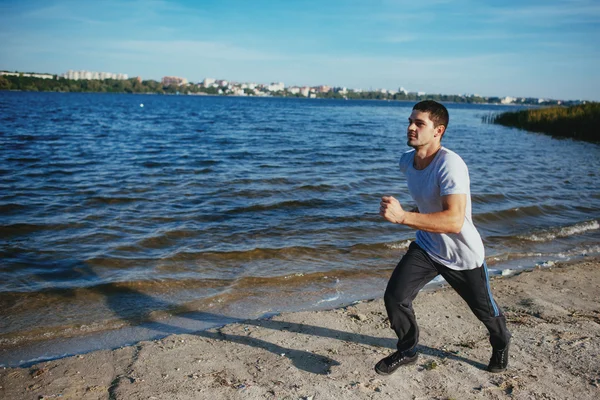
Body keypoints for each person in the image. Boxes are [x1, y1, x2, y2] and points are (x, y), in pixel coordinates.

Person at [376, 100, 511, 376]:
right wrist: (415, 212)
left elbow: (453, 220)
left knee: (485, 312)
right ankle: (409, 349)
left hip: (463, 255)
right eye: (410, 121)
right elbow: (429, 202)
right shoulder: (407, 161)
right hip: (427, 246)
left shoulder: (450, 164)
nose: (411, 127)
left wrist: (402, 217)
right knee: (395, 297)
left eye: (419, 123)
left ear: (438, 131)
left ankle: (501, 342)